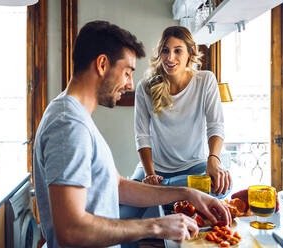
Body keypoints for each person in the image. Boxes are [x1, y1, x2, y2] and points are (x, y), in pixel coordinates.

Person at [33, 21, 231, 248]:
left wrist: (187, 193)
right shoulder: (68, 125)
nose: (129, 84)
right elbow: (70, 230)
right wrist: (156, 226)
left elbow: (118, 186)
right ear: (102, 64)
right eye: (127, 72)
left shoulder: (74, 116)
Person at [120, 26, 232, 221]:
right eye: (165, 50)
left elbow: (216, 125)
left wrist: (213, 160)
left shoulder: (206, 80)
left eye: (177, 50)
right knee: (122, 217)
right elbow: (142, 135)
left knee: (222, 188)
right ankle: (172, 190)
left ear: (190, 53)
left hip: (195, 167)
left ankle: (166, 191)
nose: (170, 58)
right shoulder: (145, 87)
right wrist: (150, 175)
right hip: (154, 169)